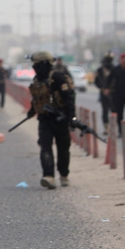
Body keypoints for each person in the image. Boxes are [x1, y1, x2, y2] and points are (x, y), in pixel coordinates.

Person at [26, 51, 76, 189]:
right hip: (44, 119)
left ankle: (64, 175)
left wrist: (72, 117)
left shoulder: (58, 78)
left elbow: (68, 97)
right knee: (45, 147)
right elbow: (37, 98)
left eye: (36, 64)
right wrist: (31, 111)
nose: (34, 67)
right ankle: (49, 176)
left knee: (63, 149)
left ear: (43, 64)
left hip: (60, 119)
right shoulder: (38, 79)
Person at [95, 52, 115, 135]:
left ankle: (114, 127)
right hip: (103, 93)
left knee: (114, 110)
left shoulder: (114, 69)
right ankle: (106, 127)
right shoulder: (100, 70)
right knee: (105, 111)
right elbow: (97, 81)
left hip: (113, 93)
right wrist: (102, 88)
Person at [108, 52, 125, 136]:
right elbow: (109, 79)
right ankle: (121, 131)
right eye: (123, 59)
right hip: (118, 94)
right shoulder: (115, 69)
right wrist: (107, 88)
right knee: (119, 113)